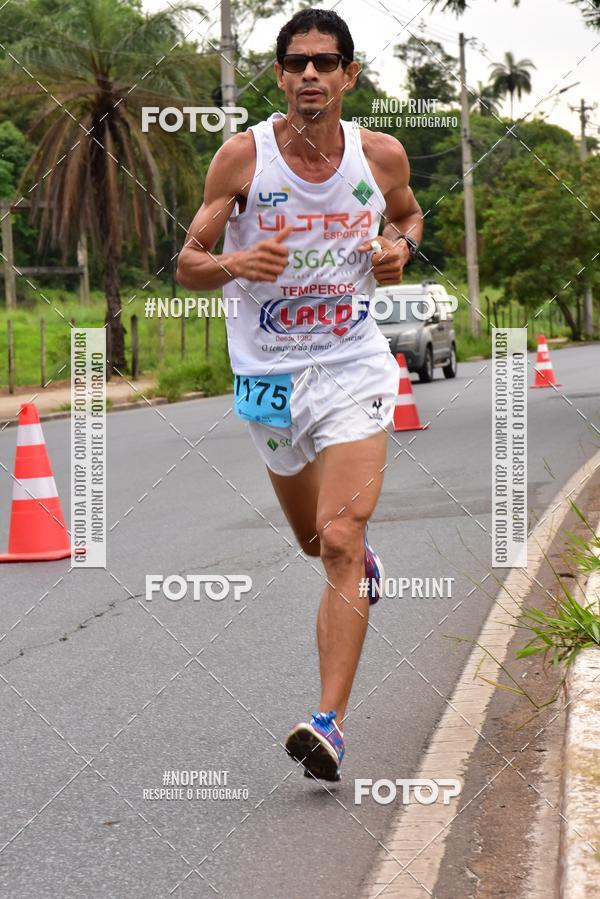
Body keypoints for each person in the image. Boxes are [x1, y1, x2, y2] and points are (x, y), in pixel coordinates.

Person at [177, 8, 423, 782]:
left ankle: (327, 724)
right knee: (314, 541)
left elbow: (410, 215)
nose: (309, 74)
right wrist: (234, 265)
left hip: (354, 365)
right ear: (280, 75)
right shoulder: (242, 159)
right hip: (270, 380)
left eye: (325, 62)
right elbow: (187, 260)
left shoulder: (378, 155)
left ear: (350, 74)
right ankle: (357, 560)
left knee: (342, 537)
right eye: (295, 63)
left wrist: (399, 250)